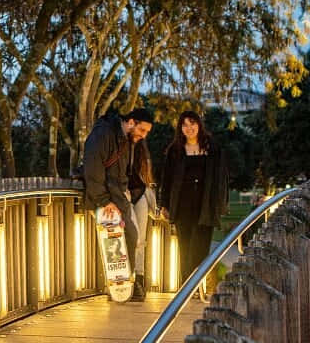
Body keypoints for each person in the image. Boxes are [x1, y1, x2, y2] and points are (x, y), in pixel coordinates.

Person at [82, 107, 154, 300]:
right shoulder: (104, 134)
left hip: (117, 199)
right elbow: (93, 167)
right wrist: (104, 201)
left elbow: (119, 176)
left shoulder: (123, 138)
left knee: (129, 239)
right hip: (106, 201)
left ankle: (122, 287)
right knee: (120, 241)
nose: (143, 136)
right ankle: (117, 287)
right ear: (131, 122)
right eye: (142, 130)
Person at [158, 111, 230, 284]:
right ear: (180, 128)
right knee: (185, 247)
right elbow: (166, 180)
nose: (189, 128)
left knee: (201, 248)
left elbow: (222, 179)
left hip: (205, 206)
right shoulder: (175, 151)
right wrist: (164, 205)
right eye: (185, 125)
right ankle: (186, 286)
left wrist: (221, 204)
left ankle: (197, 285)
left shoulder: (212, 148)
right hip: (182, 205)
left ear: (199, 125)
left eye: (193, 124)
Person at [128, 137, 158, 290]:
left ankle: (138, 279)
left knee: (140, 239)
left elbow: (146, 179)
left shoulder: (141, 150)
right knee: (128, 238)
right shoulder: (118, 144)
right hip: (124, 195)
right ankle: (125, 279)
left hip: (140, 195)